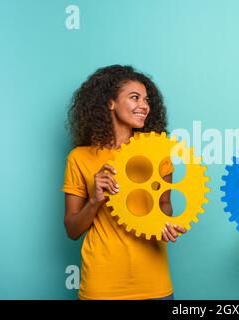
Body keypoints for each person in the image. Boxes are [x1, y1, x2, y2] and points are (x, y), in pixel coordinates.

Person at [62, 65, 186, 300]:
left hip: (153, 284)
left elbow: (165, 205)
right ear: (110, 103)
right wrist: (95, 200)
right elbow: (72, 230)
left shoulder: (157, 151)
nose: (144, 106)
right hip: (101, 286)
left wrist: (166, 225)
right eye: (134, 97)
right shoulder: (79, 157)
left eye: (146, 99)